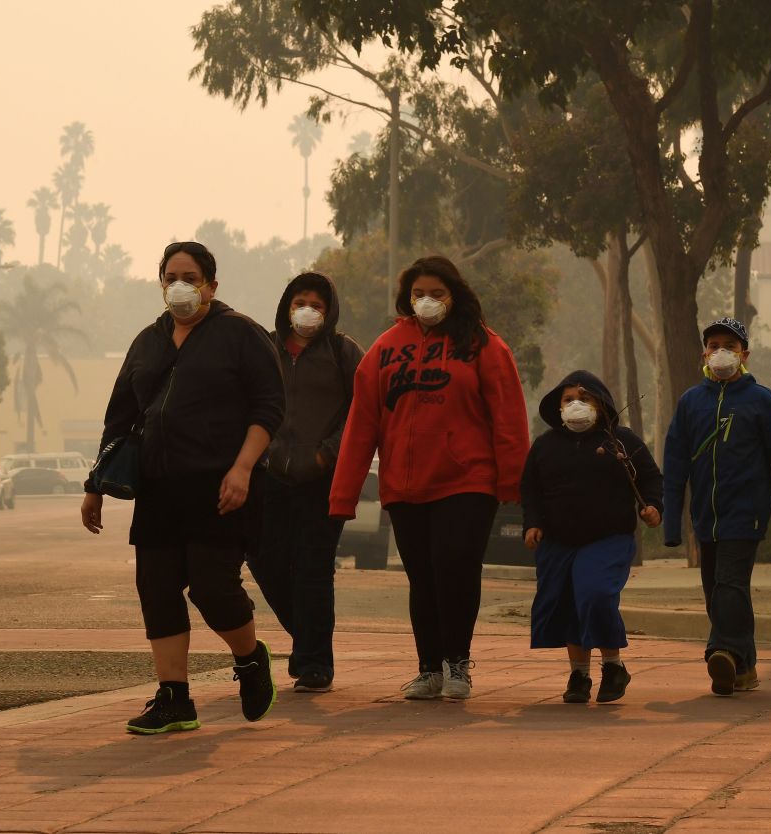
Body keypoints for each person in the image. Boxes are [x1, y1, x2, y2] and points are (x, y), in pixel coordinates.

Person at [81, 241, 285, 734]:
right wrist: (96, 485)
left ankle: (250, 657)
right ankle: (174, 697)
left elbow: (269, 409)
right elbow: (121, 418)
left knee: (213, 588)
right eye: (171, 275)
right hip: (158, 488)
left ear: (211, 286)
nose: (180, 285)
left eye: (190, 277)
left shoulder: (241, 334)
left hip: (220, 486)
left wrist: (241, 470)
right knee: (156, 586)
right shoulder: (148, 341)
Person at [329, 255, 529, 701]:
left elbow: (509, 418)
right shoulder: (384, 349)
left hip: (468, 480)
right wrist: (343, 496)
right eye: (419, 293)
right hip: (404, 484)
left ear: (454, 295)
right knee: (423, 577)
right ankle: (429, 669)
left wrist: (513, 483)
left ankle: (457, 664)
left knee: (455, 566)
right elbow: (361, 426)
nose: (427, 301)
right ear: (406, 298)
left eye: (436, 293)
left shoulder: (484, 346)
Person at [663, 317, 771, 697]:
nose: (721, 351)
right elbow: (675, 464)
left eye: (730, 344)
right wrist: (672, 525)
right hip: (705, 517)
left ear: (745, 354)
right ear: (703, 353)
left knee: (730, 582)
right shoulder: (691, 402)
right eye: (714, 344)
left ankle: (721, 650)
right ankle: (744, 666)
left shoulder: (762, 400)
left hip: (747, 512)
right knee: (718, 590)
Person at [247, 272, 364, 695]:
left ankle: (314, 664)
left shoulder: (343, 351)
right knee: (263, 558)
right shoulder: (266, 349)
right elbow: (250, 400)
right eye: (300, 301)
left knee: (313, 569)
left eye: (316, 303)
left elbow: (362, 409)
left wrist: (326, 454)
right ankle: (308, 642)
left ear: (329, 309)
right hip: (270, 473)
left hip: (321, 479)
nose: (307, 311)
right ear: (286, 305)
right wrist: (266, 450)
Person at [522, 370, 663, 704]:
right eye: (568, 399)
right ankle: (579, 674)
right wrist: (533, 523)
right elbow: (531, 489)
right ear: (558, 408)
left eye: (584, 398)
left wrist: (653, 507)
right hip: (558, 542)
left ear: (600, 404)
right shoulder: (545, 445)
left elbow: (650, 478)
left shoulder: (621, 441)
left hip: (608, 538)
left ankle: (613, 666)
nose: (576, 405)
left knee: (595, 594)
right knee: (569, 602)